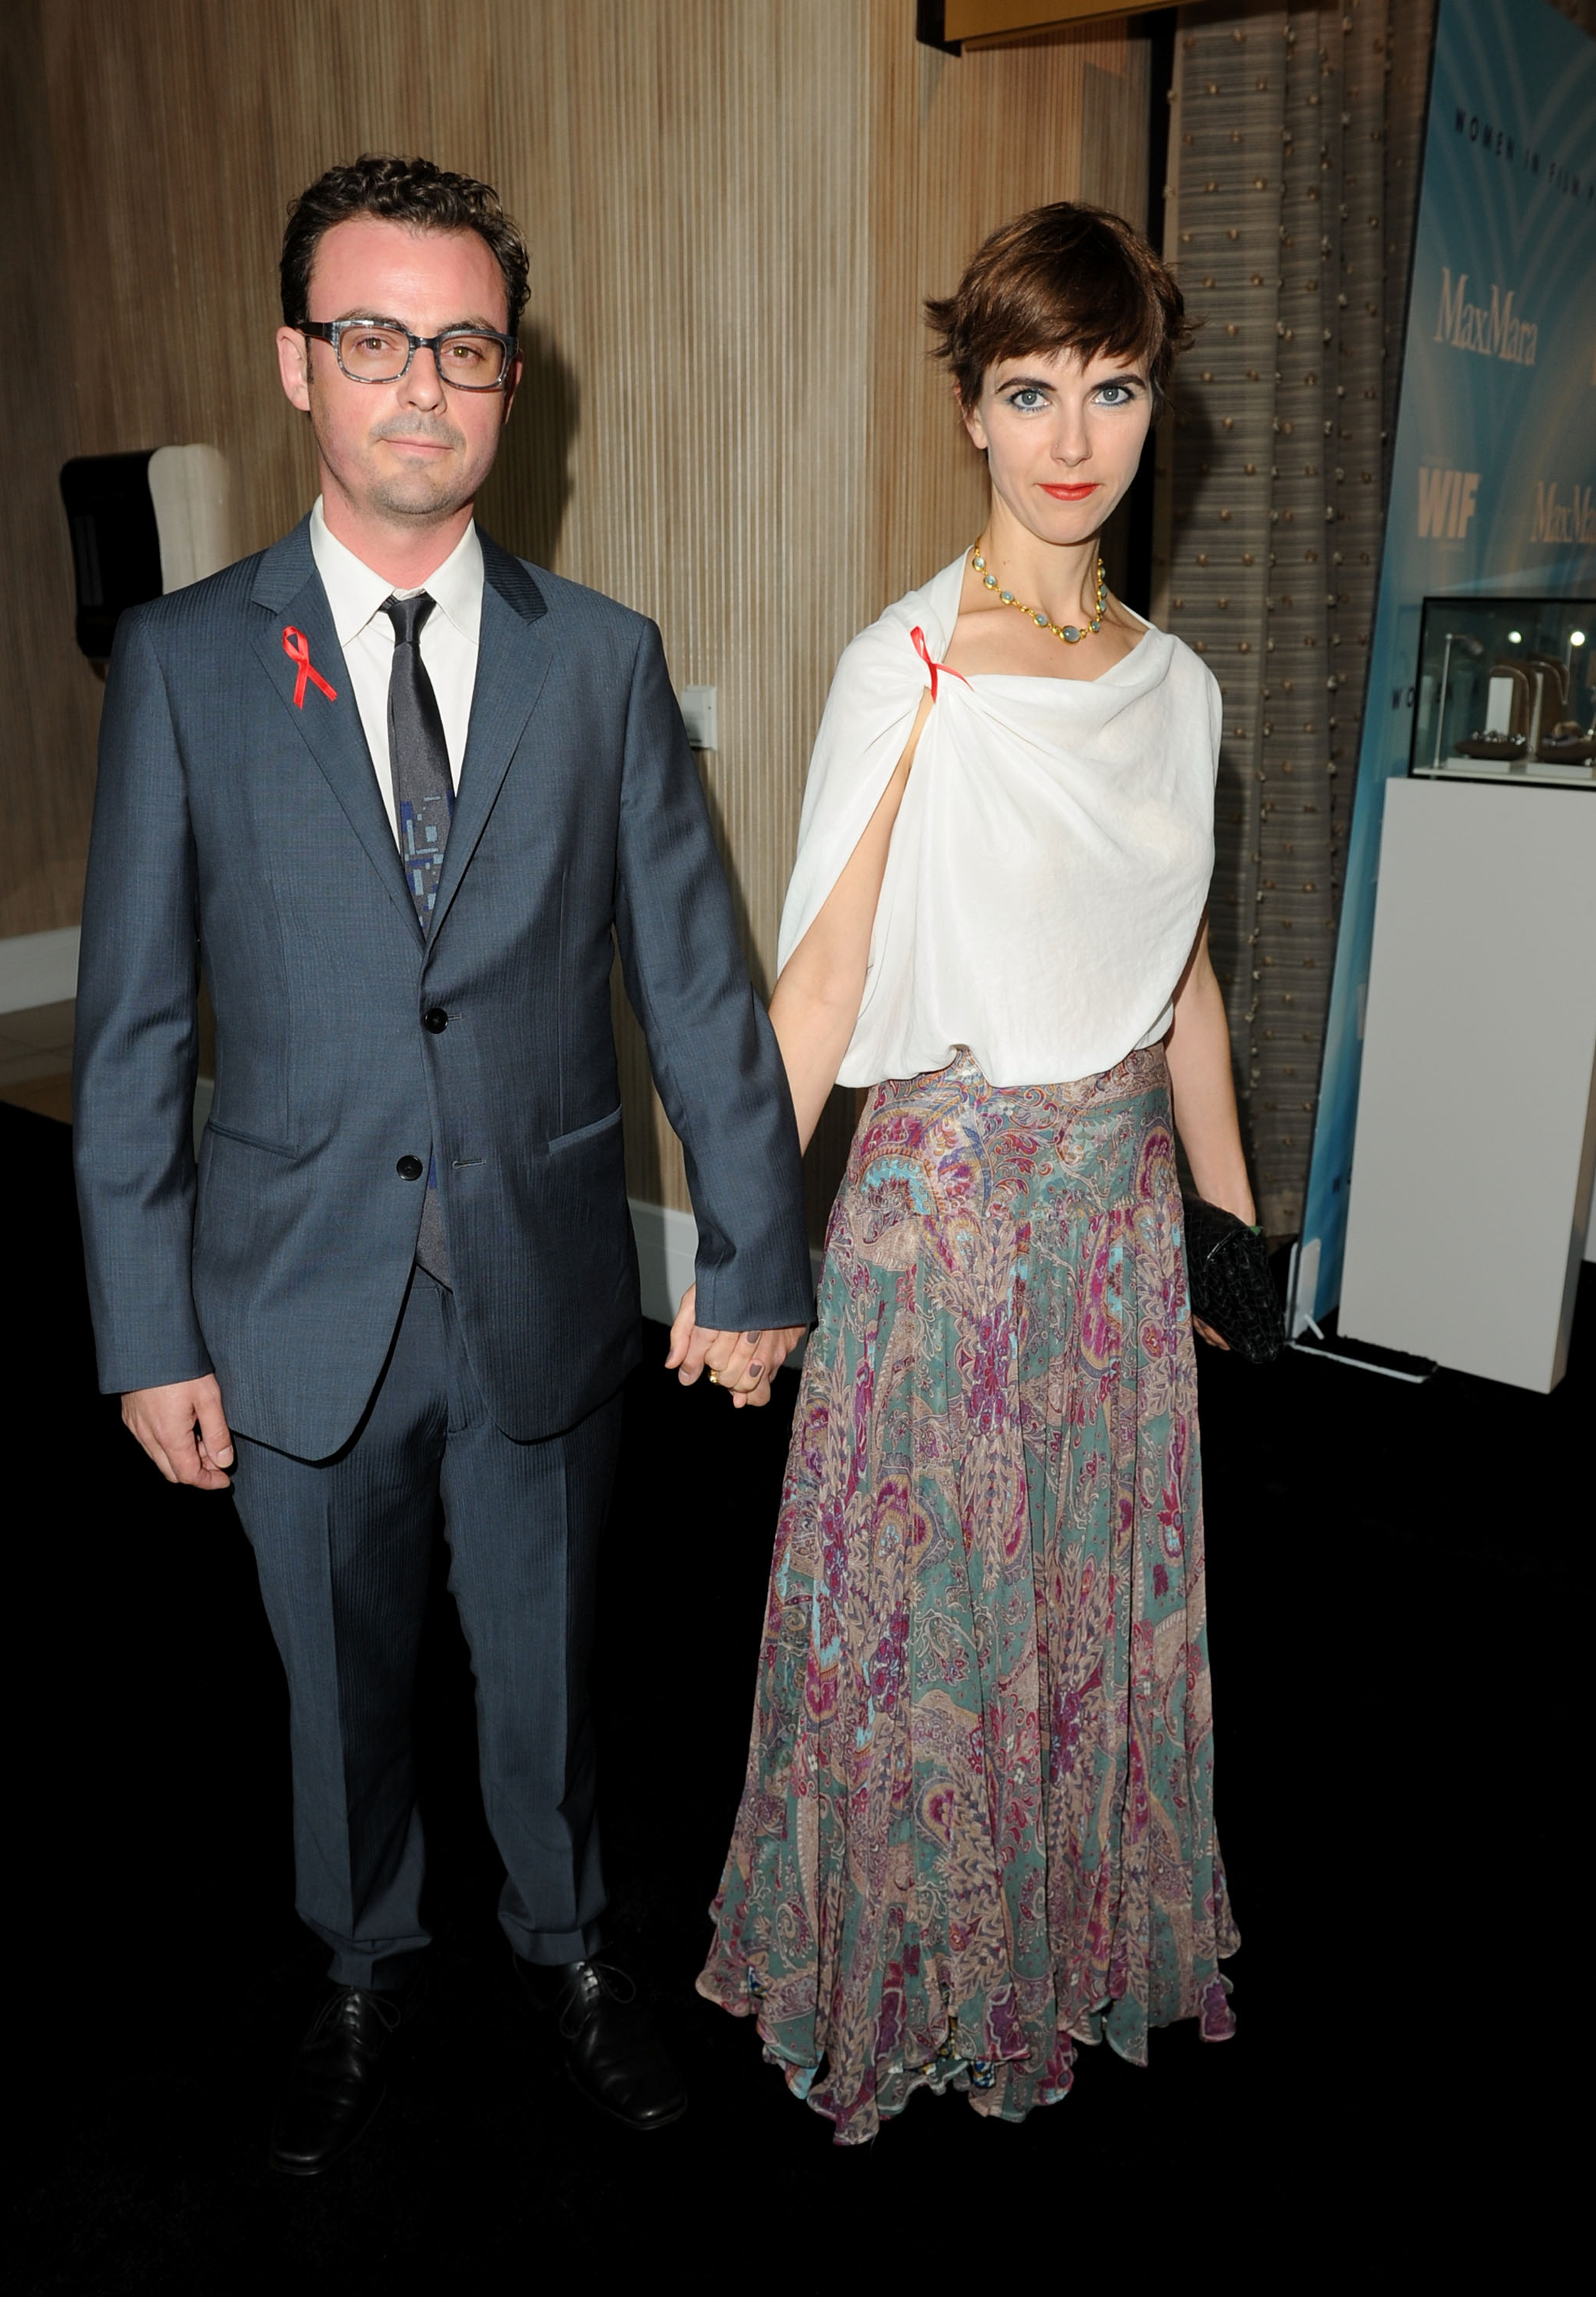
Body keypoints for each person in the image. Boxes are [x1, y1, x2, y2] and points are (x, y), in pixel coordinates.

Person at [72, 155, 812, 2175]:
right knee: (335, 1688)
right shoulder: (189, 664)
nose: (423, 386)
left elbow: (700, 988)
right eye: (376, 340)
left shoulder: (602, 664)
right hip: (288, 1290)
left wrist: (750, 1256)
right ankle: (360, 1969)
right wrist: (146, 1329)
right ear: (298, 362)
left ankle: (573, 1950)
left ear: (509, 380)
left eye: (464, 347)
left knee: (552, 1671)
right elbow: (133, 1030)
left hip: (544, 1275)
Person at [697, 204, 1247, 2145]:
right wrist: (742, 1244)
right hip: (940, 1231)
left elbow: (1179, 979)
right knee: (929, 1627)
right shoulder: (905, 667)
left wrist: (1226, 1224)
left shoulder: (1175, 693)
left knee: (1082, 1605)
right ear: (970, 413)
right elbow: (822, 982)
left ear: (1149, 394)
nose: (1072, 433)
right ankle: (914, 1966)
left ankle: (1060, 1935)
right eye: (1029, 391)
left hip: (1107, 1231)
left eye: (1109, 385)